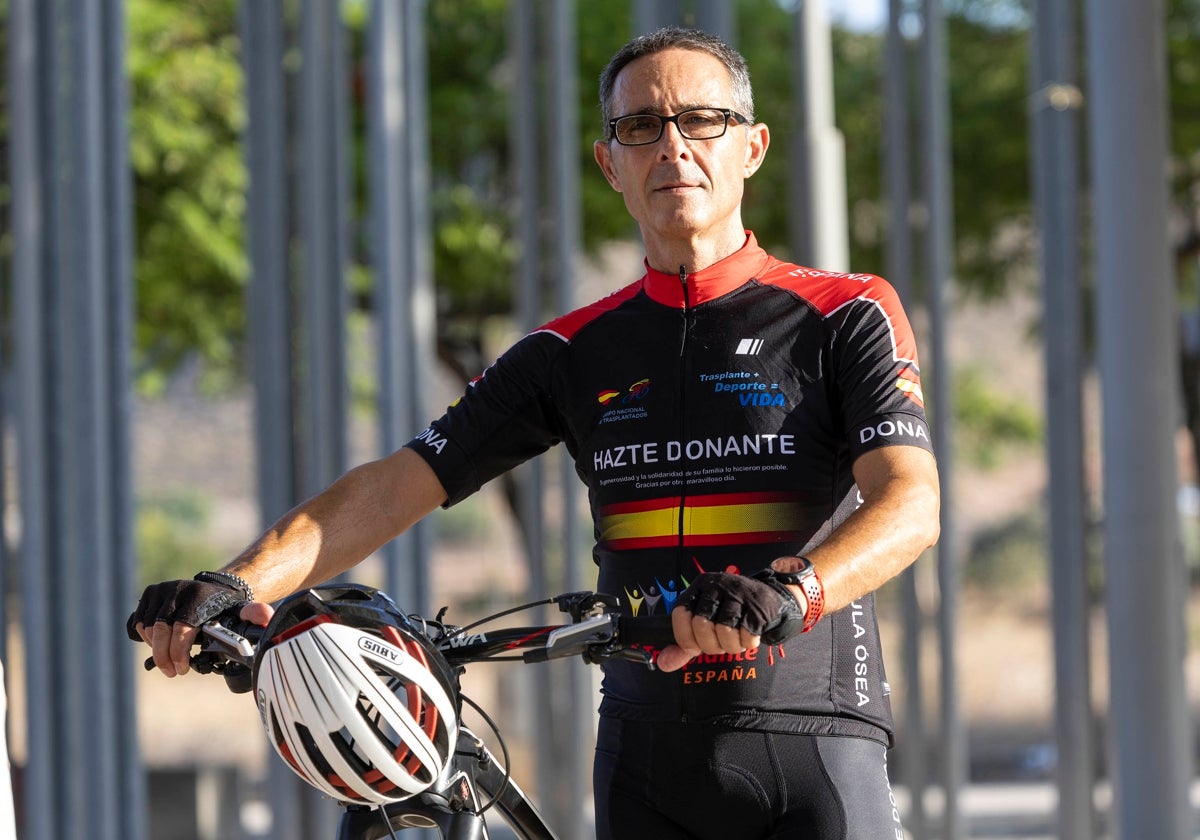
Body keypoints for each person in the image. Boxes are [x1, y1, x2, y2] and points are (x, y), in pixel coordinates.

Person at [129, 27, 939, 839]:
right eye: (640, 127)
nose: (673, 147)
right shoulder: (572, 352)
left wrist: (792, 592)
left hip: (812, 745)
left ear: (752, 147)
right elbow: (398, 483)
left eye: (702, 120)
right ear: (609, 163)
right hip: (642, 756)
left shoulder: (844, 312)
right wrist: (236, 584)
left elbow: (909, 502)